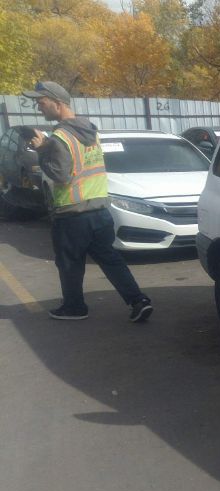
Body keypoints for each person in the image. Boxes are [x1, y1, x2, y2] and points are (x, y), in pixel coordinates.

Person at [23, 81, 153, 322]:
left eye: (41, 103)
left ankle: (74, 307)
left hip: (73, 214)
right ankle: (138, 300)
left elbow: (61, 176)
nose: (39, 108)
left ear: (58, 103)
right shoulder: (90, 131)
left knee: (69, 264)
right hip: (99, 210)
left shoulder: (61, 136)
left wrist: (41, 150)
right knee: (110, 259)